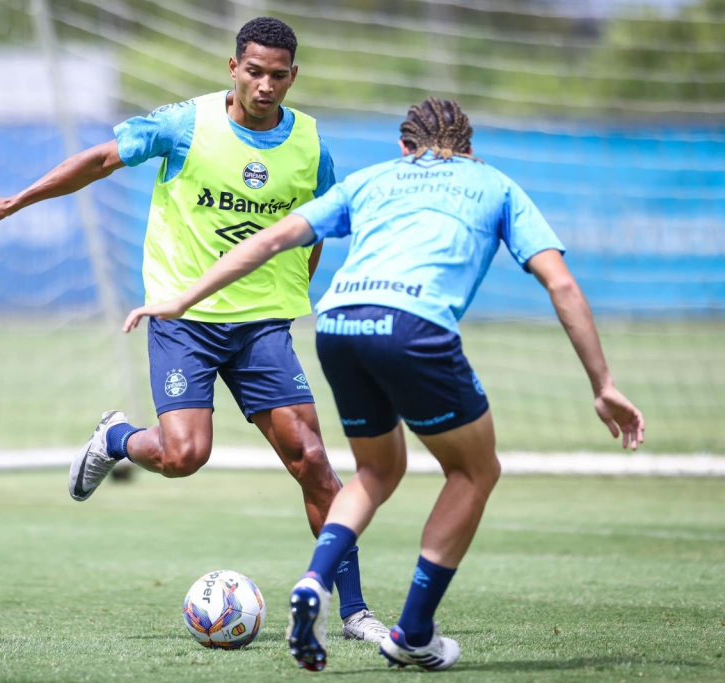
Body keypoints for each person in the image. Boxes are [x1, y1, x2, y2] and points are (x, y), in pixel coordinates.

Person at [122, 97, 645, 672]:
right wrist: (603, 383)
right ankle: (413, 631)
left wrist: (182, 297)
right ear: (470, 150)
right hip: (411, 325)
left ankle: (317, 582)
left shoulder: (373, 179)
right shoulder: (494, 184)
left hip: (340, 323)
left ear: (404, 148)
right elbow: (562, 285)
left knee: (375, 470)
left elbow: (270, 240)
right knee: (475, 470)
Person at [0, 17, 388, 641]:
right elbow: (102, 159)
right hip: (182, 318)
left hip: (262, 327)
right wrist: (17, 201)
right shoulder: (185, 124)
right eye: (254, 71)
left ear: (293, 76)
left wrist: (288, 292)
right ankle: (116, 439)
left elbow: (317, 227)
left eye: (278, 75)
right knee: (184, 455)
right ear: (232, 67)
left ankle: (353, 611)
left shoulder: (310, 144)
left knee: (315, 462)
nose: (265, 85)